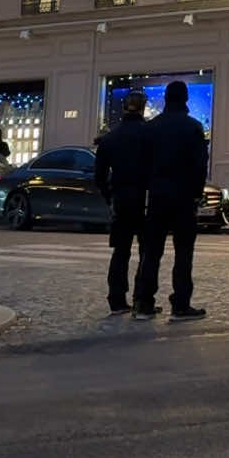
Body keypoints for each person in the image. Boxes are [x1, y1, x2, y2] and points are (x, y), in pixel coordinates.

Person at [133, 82, 208, 322]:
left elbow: (142, 165)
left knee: (152, 252)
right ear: (185, 99)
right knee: (184, 253)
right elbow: (199, 167)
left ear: (166, 98)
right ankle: (181, 304)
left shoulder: (150, 128)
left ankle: (144, 302)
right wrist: (197, 194)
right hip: (184, 197)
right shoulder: (193, 128)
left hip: (157, 197)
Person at [94, 90, 151, 316]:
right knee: (147, 251)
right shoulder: (149, 135)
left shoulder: (111, 138)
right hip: (145, 199)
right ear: (143, 107)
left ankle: (116, 298)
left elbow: (99, 176)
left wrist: (110, 196)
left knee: (120, 251)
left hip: (121, 198)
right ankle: (141, 299)